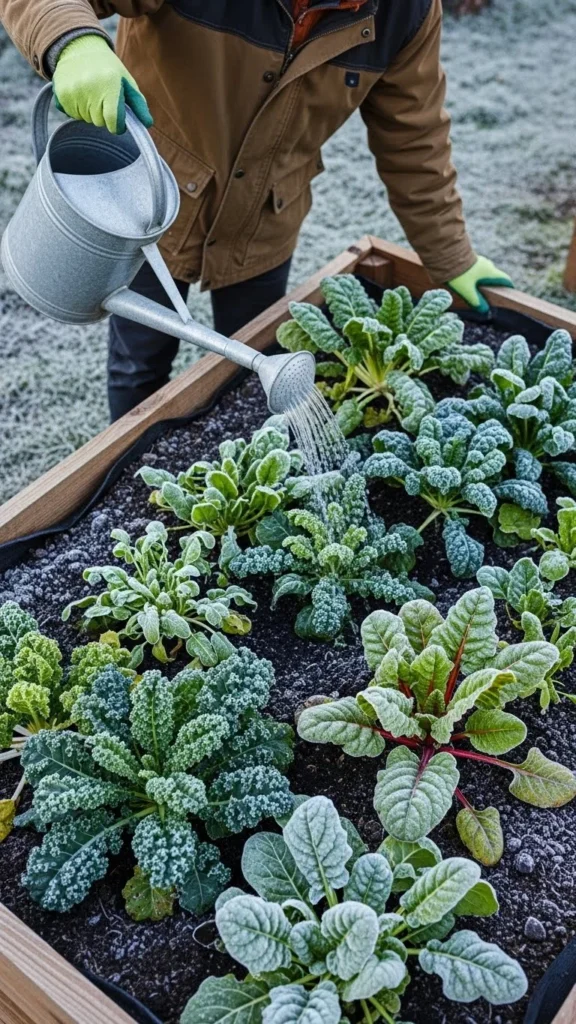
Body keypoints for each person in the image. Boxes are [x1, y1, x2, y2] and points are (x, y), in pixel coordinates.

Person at [0, 0, 513, 421]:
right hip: (146, 204)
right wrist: (72, 42)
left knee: (254, 372)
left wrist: (452, 259)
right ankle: (128, 471)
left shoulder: (408, 14)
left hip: (267, 219)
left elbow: (415, 142)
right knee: (138, 362)